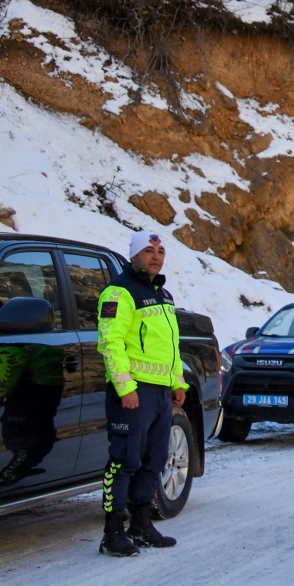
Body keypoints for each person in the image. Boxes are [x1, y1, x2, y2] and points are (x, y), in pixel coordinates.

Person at [97, 232, 186, 557]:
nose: (155, 256)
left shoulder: (163, 295)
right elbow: (110, 342)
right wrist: (126, 387)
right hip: (133, 394)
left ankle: (141, 525)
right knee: (124, 461)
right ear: (134, 256)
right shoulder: (119, 292)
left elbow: (171, 347)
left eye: (160, 251)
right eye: (149, 250)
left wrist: (178, 383)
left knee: (154, 460)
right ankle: (112, 533)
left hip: (161, 394)